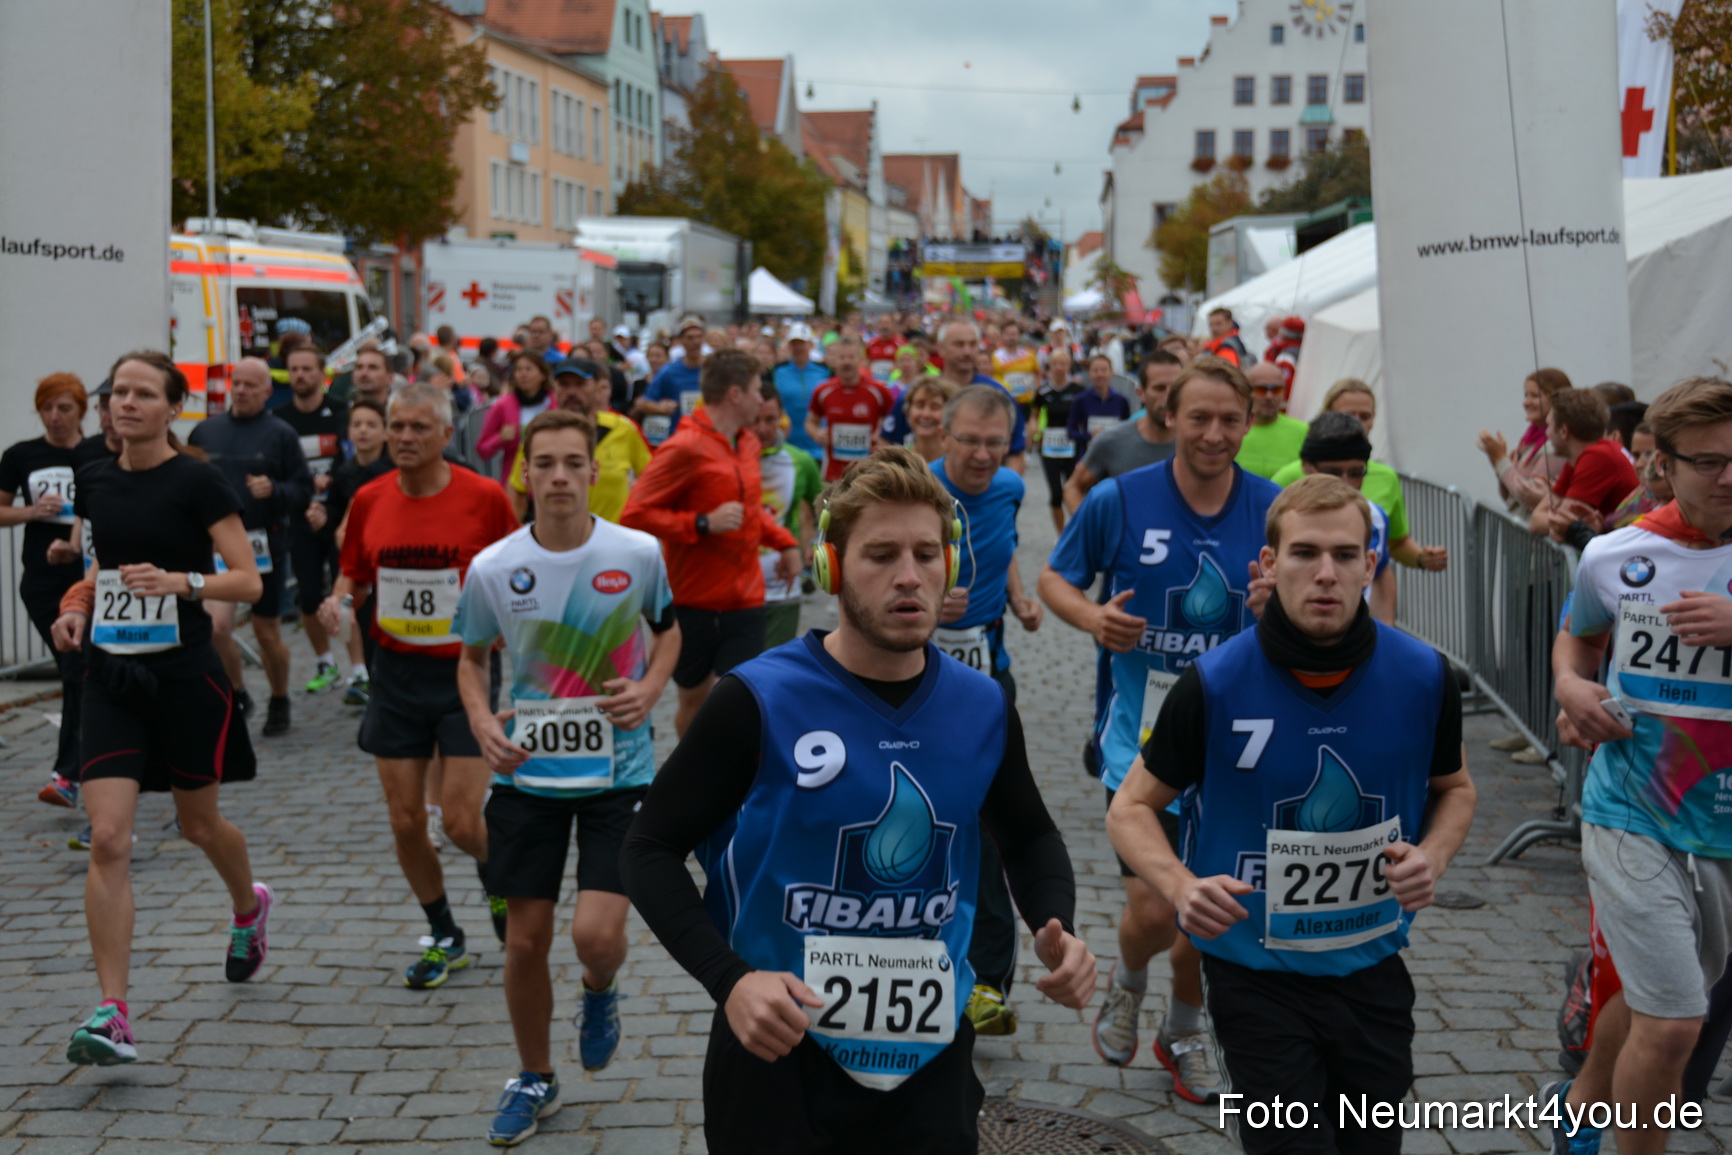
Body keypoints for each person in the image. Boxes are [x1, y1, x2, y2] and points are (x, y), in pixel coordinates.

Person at [619, 447, 1096, 1154]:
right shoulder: (756, 699)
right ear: (831, 568)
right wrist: (732, 982)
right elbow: (647, 847)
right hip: (777, 1051)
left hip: (930, 1053)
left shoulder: (984, 705)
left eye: (927, 553)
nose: (910, 575)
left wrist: (1056, 921)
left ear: (953, 565)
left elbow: (1027, 836)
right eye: (880, 555)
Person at [1108, 473, 1475, 1154]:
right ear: (1269, 566)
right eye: (1305, 553)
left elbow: (1454, 787)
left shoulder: (1424, 675)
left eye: (1345, 554)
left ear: (1372, 564)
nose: (1326, 573)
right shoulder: (1213, 682)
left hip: (1373, 968)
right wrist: (1182, 887)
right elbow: (1130, 808)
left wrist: (1435, 855)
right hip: (1256, 977)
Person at [1038, 354, 1280, 1100]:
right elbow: (1055, 577)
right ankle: (1129, 977)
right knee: (1152, 907)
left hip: (1240, 741)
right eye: (1199, 417)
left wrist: (1279, 603)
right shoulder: (1119, 499)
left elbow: (1312, 612)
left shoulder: (1273, 505)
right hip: (1142, 738)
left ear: (1248, 423)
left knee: (1209, 913)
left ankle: (1182, 1030)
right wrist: (1094, 617)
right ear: (1169, 416)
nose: (1214, 434)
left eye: (1229, 420)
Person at [455, 408, 680, 1145]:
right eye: (543, 462)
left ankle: (600, 988)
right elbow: (471, 657)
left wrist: (649, 690)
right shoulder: (493, 566)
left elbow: (669, 629)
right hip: (528, 777)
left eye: (572, 462)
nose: (557, 475)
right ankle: (534, 1074)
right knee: (524, 942)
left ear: (593, 471)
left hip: (619, 771)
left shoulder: (638, 552)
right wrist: (485, 723)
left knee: (595, 935)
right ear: (523, 472)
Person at [53, 351, 272, 1066]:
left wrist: (180, 581)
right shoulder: (93, 479)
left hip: (183, 677)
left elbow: (248, 582)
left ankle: (248, 906)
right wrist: (77, 605)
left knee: (198, 823)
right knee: (109, 836)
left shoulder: (199, 481)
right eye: (118, 392)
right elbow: (100, 564)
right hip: (111, 678)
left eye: (144, 394)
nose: (127, 404)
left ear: (171, 407)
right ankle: (113, 1011)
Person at [1550, 376, 1732, 1155]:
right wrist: (1570, 685)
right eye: (1710, 461)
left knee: (1667, 987)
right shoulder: (1615, 554)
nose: (1729, 477)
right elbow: (1579, 639)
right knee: (1675, 1021)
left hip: (1722, 827)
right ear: (1662, 464)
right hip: (1633, 806)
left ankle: (1579, 1106)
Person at [318, 383, 519, 989]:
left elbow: (516, 573)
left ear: (443, 435)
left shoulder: (484, 498)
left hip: (466, 671)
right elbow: (353, 574)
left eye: (417, 429)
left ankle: (503, 884)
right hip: (396, 673)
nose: (404, 438)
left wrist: (513, 632)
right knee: (406, 819)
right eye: (396, 426)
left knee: (459, 821)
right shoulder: (371, 498)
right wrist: (336, 605)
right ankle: (444, 932)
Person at [931, 386, 1045, 1037]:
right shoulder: (913, 489)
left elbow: (1000, 553)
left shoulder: (1008, 488)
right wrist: (924, 595)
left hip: (987, 676)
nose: (980, 454)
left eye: (993, 443)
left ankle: (988, 984)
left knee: (991, 822)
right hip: (915, 677)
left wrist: (1021, 599)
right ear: (943, 436)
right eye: (968, 440)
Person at [620, 350, 801, 735]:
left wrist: (786, 543)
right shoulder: (684, 447)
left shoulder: (748, 443)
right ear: (735, 394)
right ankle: (695, 773)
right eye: (755, 390)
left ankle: (734, 782)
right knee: (695, 701)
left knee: (737, 694)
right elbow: (634, 514)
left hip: (747, 598)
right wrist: (701, 523)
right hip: (694, 598)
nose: (760, 399)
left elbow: (750, 512)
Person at [188, 357, 312, 737]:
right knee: (216, 629)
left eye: (249, 386)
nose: (240, 391)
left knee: (266, 631)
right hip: (216, 547)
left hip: (264, 542)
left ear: (266, 392)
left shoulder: (281, 434)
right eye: (236, 383)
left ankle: (279, 697)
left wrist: (275, 489)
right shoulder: (204, 432)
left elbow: (303, 489)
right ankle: (238, 692)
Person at [0, 373, 91, 807]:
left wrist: (73, 544)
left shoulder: (95, 455)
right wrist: (31, 512)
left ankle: (72, 773)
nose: (54, 418)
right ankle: (75, 770)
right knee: (76, 668)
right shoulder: (21, 455)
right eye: (46, 409)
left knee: (80, 671)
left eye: (64, 409)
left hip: (89, 579)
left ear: (81, 412)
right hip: (40, 581)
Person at [1269, 379, 1446, 573]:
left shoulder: (1386, 477)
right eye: (1349, 415)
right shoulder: (1287, 477)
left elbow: (1394, 543)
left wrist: (1421, 558)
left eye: (1365, 416)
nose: (1358, 422)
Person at [273, 343, 351, 695]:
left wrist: (331, 485)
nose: (300, 376)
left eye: (307, 369)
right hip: (301, 516)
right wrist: (303, 496)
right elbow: (280, 470)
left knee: (345, 593)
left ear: (322, 374)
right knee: (307, 594)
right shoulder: (281, 419)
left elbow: (352, 459)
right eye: (295, 370)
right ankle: (325, 662)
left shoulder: (341, 412)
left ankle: (358, 668)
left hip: (336, 516)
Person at [507, 357, 651, 526]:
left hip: (614, 541)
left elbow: (651, 477)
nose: (572, 392)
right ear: (555, 389)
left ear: (597, 387)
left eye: (580, 384)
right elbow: (517, 488)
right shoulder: (540, 432)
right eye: (564, 384)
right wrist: (519, 535)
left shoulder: (623, 429)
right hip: (559, 542)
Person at [313, 398, 392, 704]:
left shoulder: (390, 470)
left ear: (385, 433)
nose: (363, 431)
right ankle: (360, 672)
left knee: (376, 616)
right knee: (351, 612)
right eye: (357, 425)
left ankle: (375, 676)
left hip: (380, 558)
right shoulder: (344, 472)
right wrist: (321, 515)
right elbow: (333, 511)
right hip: (347, 554)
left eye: (371, 425)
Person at [1294, 412, 1399, 624]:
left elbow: (1381, 573)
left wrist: (1386, 636)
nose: (1345, 483)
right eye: (1333, 472)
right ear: (1307, 466)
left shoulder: (1375, 517)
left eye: (1356, 472)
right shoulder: (1283, 517)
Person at [1064, 351, 1180, 513]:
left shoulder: (1196, 441)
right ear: (1141, 393)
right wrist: (1086, 532)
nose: (1167, 398)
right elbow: (1072, 487)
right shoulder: (1111, 441)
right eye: (1159, 388)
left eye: (1174, 389)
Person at [753, 381, 822, 649]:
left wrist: (818, 545)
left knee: (772, 673)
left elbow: (829, 507)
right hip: (734, 590)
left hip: (782, 588)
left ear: (782, 419)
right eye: (755, 420)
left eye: (770, 419)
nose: (762, 429)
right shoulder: (727, 459)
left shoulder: (800, 461)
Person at [1526, 389, 1638, 537]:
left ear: (1564, 431)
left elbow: (1552, 525)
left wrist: (1560, 526)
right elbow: (1539, 521)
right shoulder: (1584, 455)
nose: (1546, 433)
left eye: (1549, 426)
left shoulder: (1597, 458)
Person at [1477, 368, 1573, 513]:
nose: (1526, 402)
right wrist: (1497, 462)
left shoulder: (1557, 445)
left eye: (1535, 396)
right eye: (1525, 395)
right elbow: (1510, 497)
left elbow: (1530, 496)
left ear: (1556, 400)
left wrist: (1501, 460)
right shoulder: (1529, 440)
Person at [805, 338, 896, 483]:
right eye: (842, 357)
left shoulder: (878, 391)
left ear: (860, 360)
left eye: (851, 357)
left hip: (868, 473)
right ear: (834, 361)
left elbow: (894, 420)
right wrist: (816, 434)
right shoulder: (823, 391)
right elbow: (810, 421)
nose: (846, 362)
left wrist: (883, 437)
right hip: (833, 475)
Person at [1030, 350, 1086, 532]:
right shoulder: (1043, 391)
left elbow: (1085, 418)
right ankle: (1061, 535)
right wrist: (1032, 432)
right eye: (1056, 364)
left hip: (1072, 446)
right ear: (1050, 366)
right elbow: (1035, 415)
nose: (1059, 368)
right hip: (1049, 447)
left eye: (1063, 364)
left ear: (1069, 366)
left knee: (1073, 490)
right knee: (1056, 494)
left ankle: (1075, 531)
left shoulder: (1078, 391)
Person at [478, 352, 554, 478]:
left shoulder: (555, 402)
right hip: (515, 481)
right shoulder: (503, 405)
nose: (523, 374)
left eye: (529, 369)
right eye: (519, 370)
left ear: (542, 375)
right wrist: (500, 438)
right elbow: (482, 450)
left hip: (549, 479)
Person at [638, 316, 707, 447]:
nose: (696, 342)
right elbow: (644, 404)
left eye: (699, 337)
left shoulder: (713, 368)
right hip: (679, 438)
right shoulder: (669, 372)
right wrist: (661, 408)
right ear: (681, 341)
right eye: (690, 338)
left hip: (708, 437)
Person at [1235, 361, 1307, 479]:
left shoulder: (1304, 432)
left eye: (1276, 390)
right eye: (1261, 389)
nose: (1269, 396)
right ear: (1246, 391)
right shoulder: (1232, 430)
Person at [773, 322, 827, 455]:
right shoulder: (778, 372)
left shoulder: (824, 371)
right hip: (787, 446)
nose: (798, 348)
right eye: (794, 344)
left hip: (818, 445)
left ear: (810, 345)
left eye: (802, 343)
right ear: (789, 346)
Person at [1066, 354, 1132, 461]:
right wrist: (1090, 436)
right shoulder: (1080, 400)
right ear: (1089, 374)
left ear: (1111, 373)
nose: (1100, 374)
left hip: (1115, 457)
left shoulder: (1122, 400)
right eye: (1095, 370)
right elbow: (1071, 432)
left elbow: (1128, 430)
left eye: (1104, 370)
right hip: (1089, 458)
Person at [902, 377, 956, 465]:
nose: (926, 414)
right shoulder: (899, 461)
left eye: (935, 407)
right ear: (909, 410)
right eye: (920, 405)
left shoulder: (957, 463)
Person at [992, 317, 1041, 409]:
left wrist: (1034, 389)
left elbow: (1038, 373)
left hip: (1025, 403)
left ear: (1019, 336)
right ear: (1002, 335)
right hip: (1004, 403)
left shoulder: (1029, 355)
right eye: (1008, 334)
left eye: (1014, 334)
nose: (1011, 337)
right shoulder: (995, 357)